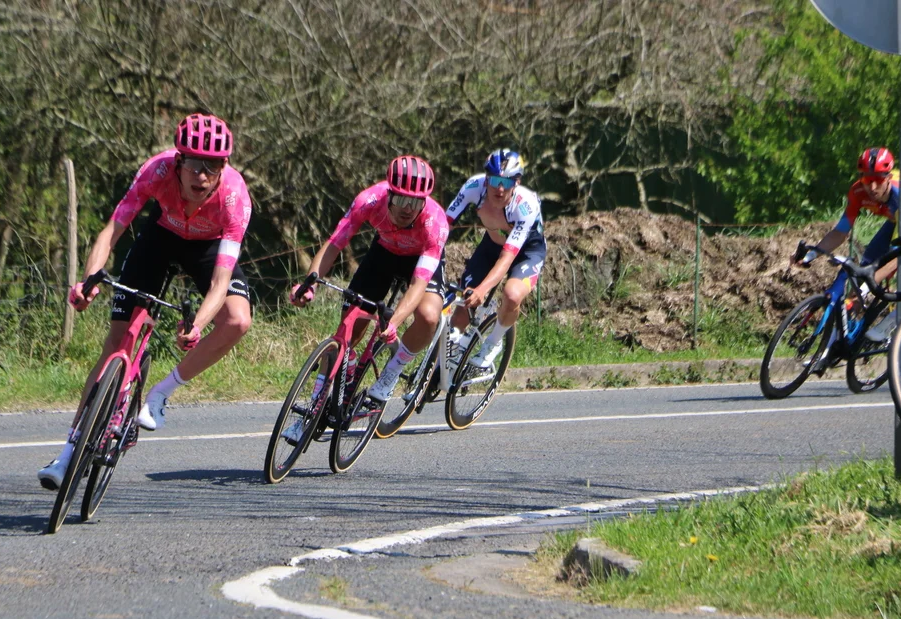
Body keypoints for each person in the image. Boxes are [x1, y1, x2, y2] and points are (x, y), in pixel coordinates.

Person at [37, 113, 254, 490]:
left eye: (213, 166)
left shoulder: (235, 198)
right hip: (161, 237)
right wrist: (89, 280)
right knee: (116, 344)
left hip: (208, 248)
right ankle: (69, 451)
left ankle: (160, 394)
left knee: (237, 320)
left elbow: (220, 282)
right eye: (194, 164)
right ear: (178, 162)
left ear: (224, 166)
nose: (202, 175)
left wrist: (197, 325)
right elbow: (113, 230)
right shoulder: (157, 171)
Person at [289, 155, 449, 424]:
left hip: (419, 259)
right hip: (384, 253)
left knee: (429, 316)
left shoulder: (435, 222)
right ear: (389, 194)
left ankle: (391, 373)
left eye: (415, 202)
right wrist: (310, 283)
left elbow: (418, 284)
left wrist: (394, 322)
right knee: (346, 332)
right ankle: (313, 411)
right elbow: (335, 244)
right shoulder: (369, 200)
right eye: (401, 200)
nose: (408, 209)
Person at [791, 146, 901, 351]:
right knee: (861, 277)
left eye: (878, 180)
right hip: (896, 221)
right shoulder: (858, 191)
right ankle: (832, 347)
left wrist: (870, 282)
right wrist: (812, 254)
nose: (872, 187)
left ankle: (886, 327)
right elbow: (840, 232)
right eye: (867, 180)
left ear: (888, 178)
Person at [444, 149, 545, 368]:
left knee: (512, 295)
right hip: (491, 244)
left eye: (506, 182)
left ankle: (493, 342)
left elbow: (507, 258)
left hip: (526, 252)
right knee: (462, 309)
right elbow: (444, 224)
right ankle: (447, 365)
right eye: (495, 181)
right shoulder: (473, 186)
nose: (499, 189)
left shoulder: (526, 205)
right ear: (486, 178)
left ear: (516, 182)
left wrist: (483, 290)